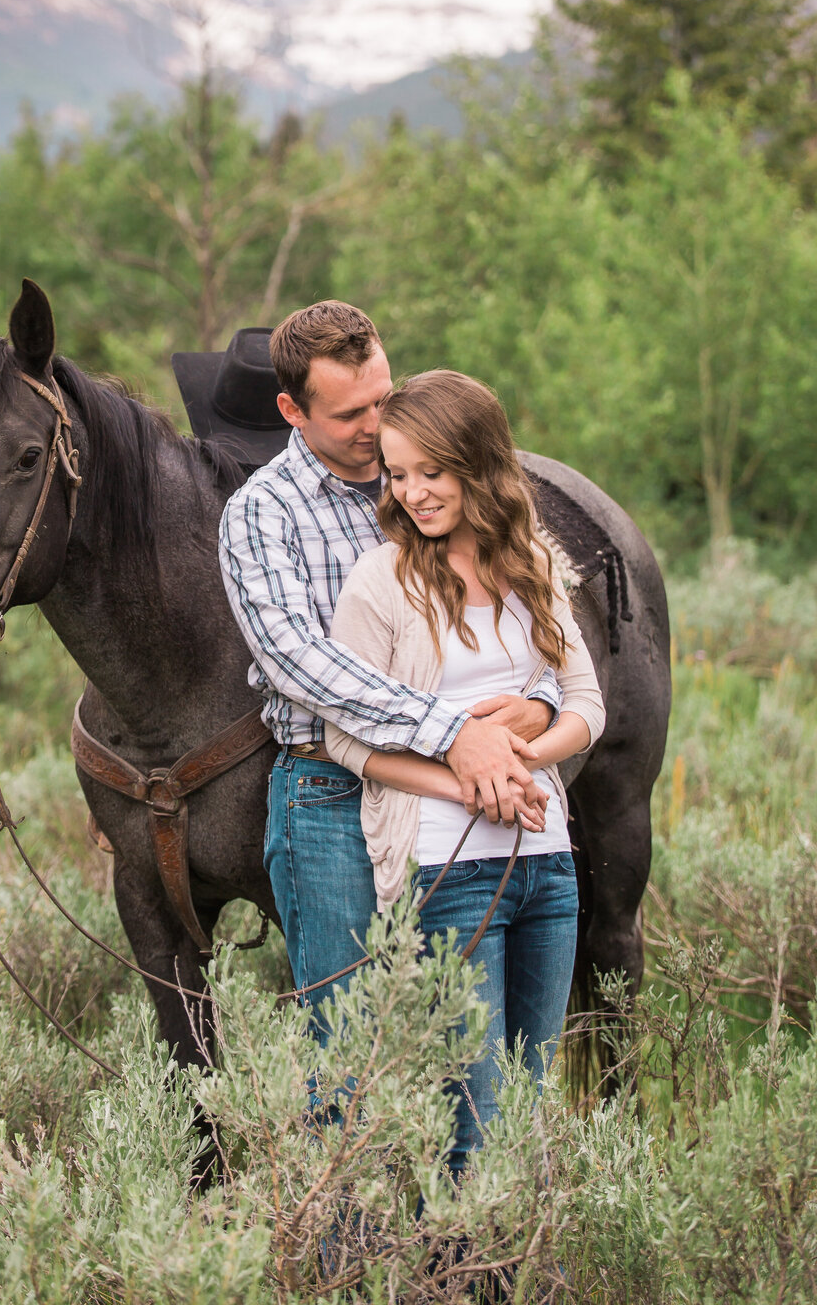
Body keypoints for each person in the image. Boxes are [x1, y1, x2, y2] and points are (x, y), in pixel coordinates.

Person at [218, 301, 563, 1045]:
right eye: (350, 413)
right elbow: (297, 660)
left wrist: (536, 704)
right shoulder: (263, 514)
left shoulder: (422, 483)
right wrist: (450, 734)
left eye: (384, 397)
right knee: (349, 1040)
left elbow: (512, 622)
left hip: (457, 800)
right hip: (331, 796)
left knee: (456, 1046)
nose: (377, 424)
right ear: (292, 409)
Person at [323, 369, 605, 1175]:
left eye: (431, 472)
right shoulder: (382, 582)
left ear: (479, 465)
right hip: (450, 875)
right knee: (473, 1129)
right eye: (398, 474)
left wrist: (524, 757)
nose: (412, 493)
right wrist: (464, 782)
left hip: (549, 867)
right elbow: (345, 741)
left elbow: (586, 704)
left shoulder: (534, 568)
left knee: (528, 1114)